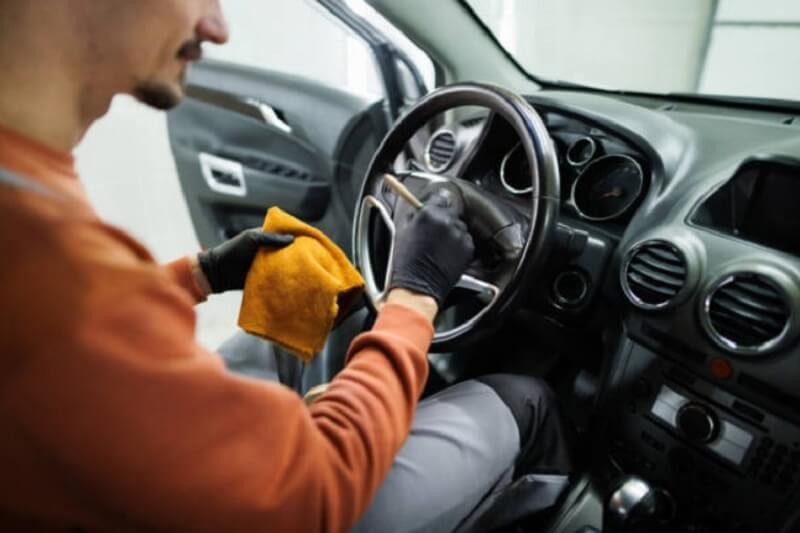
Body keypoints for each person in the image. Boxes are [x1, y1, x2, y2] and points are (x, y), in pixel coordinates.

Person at [0, 1, 572, 531]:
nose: (216, 26)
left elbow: (83, 342)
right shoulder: (54, 269)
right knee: (527, 402)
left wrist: (197, 276)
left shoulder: (28, 205)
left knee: (290, 336)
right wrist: (414, 295)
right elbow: (317, 492)